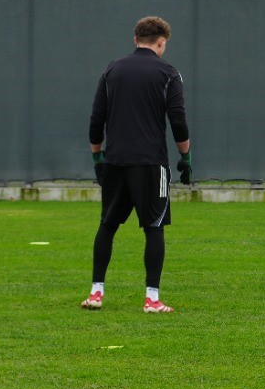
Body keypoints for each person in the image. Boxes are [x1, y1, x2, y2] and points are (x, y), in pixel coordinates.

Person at [82, 16, 191, 314]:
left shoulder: (112, 69)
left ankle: (96, 293)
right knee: (154, 228)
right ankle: (152, 299)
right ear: (161, 42)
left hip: (115, 161)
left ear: (135, 39)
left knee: (107, 225)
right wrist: (186, 159)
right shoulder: (168, 72)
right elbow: (178, 120)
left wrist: (97, 158)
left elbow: (96, 119)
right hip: (150, 164)